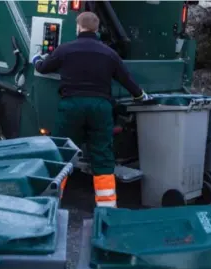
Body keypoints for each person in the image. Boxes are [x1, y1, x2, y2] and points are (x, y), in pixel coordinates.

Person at [32, 11, 152, 208]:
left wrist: (37, 58)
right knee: (103, 157)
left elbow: (43, 67)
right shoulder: (109, 53)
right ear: (97, 30)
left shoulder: (65, 50)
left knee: (62, 154)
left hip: (72, 106)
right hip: (100, 108)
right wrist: (141, 96)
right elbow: (127, 81)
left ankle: (51, 203)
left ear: (78, 27)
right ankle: (106, 208)